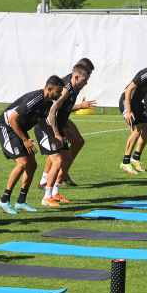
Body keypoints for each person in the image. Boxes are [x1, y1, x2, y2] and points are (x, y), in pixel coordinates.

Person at [0, 76, 65, 213]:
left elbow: (41, 121)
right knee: (22, 163)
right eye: (58, 91)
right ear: (49, 89)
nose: (60, 94)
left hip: (19, 129)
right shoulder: (35, 98)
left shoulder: (47, 103)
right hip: (7, 127)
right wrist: (25, 140)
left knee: (32, 165)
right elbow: (12, 119)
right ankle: (4, 200)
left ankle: (21, 202)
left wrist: (52, 137)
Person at [40, 64, 96, 200]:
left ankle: (55, 193)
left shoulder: (75, 89)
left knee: (67, 159)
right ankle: (46, 193)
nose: (86, 83)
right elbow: (53, 111)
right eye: (84, 80)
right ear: (76, 77)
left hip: (59, 126)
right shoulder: (66, 89)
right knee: (58, 161)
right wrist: (57, 134)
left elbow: (64, 112)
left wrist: (67, 129)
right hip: (48, 126)